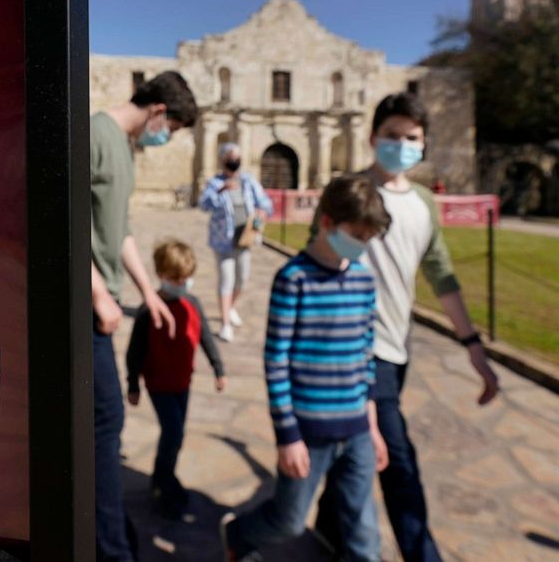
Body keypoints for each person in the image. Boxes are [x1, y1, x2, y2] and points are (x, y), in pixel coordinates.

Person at [314, 92, 499, 562]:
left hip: (397, 347)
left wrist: (472, 344)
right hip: (355, 349)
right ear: (374, 137)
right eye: (392, 136)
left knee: (352, 450)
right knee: (397, 461)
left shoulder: (421, 203)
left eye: (411, 138)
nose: (400, 145)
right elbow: (319, 262)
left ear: (423, 144)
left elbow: (441, 274)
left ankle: (326, 530)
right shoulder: (348, 190)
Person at [220, 173, 391, 562]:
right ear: (328, 222)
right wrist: (287, 436)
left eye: (369, 239)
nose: (363, 247)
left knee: (365, 533)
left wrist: (373, 425)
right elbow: (276, 361)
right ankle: (239, 533)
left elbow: (367, 359)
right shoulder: (294, 279)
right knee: (290, 521)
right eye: (358, 236)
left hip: (358, 430)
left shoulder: (364, 281)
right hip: (309, 433)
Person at [91, 71, 199, 561]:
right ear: (159, 110)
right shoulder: (95, 133)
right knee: (106, 420)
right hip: (89, 309)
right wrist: (97, 294)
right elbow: (62, 214)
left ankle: (109, 533)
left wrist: (147, 293)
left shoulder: (125, 148)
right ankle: (110, 546)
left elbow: (120, 229)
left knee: (103, 423)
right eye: (172, 128)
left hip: (104, 305)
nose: (168, 138)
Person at [126, 239, 227, 521]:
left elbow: (205, 335)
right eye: (176, 279)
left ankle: (165, 477)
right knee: (173, 434)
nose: (182, 283)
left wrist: (218, 368)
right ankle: (162, 484)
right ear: (160, 274)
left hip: (183, 383)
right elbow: (134, 351)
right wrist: (133, 384)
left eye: (186, 278)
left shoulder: (192, 303)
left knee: (176, 435)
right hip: (159, 385)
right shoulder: (148, 311)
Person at [198, 142, 273, 342]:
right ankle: (225, 324)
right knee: (226, 280)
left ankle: (230, 307)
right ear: (222, 159)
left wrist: (262, 211)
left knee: (242, 279)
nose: (233, 160)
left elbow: (265, 202)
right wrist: (221, 190)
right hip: (223, 240)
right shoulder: (214, 183)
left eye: (236, 156)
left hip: (245, 238)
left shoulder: (248, 181)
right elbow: (203, 205)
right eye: (230, 156)